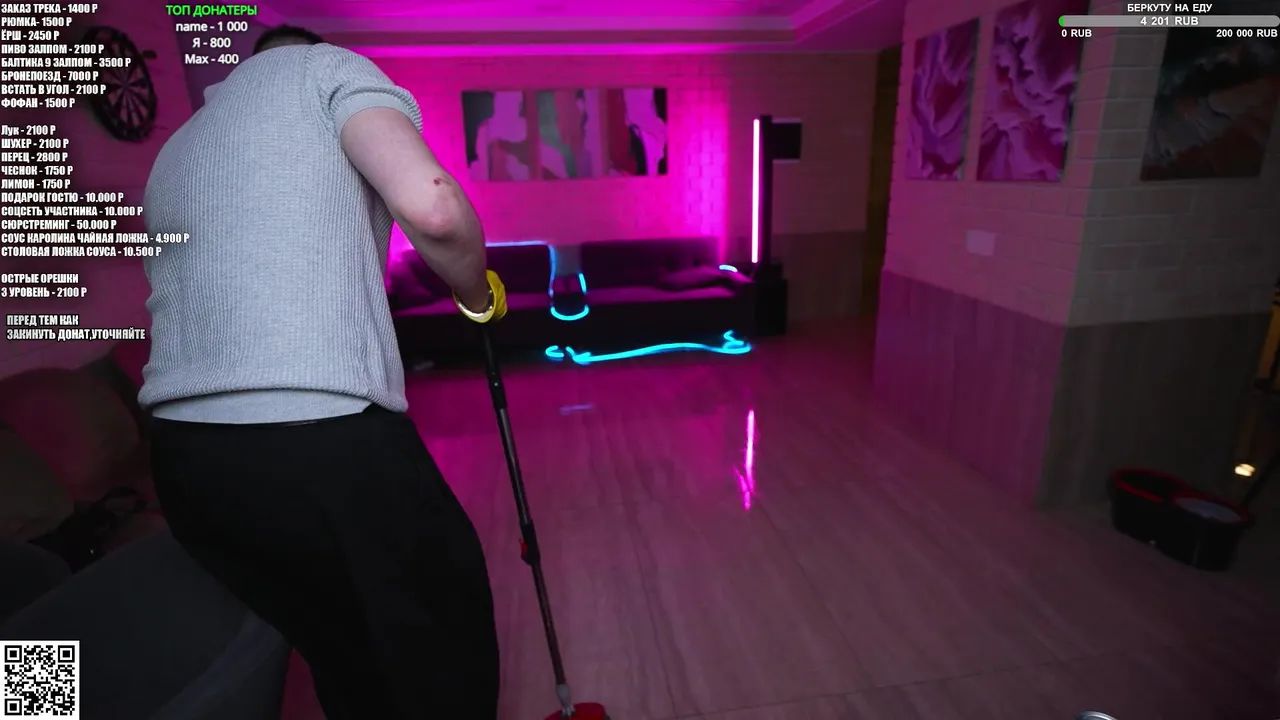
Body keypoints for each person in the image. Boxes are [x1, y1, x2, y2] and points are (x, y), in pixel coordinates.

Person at [139, 25, 503, 719]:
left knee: (340, 649)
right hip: (318, 441)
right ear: (305, 49)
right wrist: (476, 295)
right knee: (442, 647)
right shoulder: (324, 69)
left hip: (186, 462)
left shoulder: (179, 144)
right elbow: (435, 207)